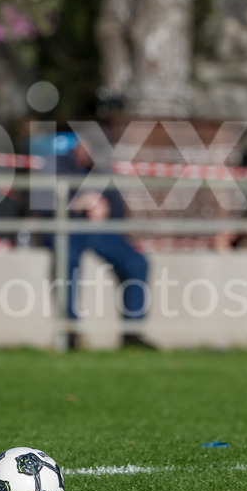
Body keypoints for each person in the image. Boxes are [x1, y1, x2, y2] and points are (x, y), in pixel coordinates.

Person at [38, 130, 153, 349]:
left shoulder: (103, 170)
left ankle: (132, 334)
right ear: (82, 145)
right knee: (68, 261)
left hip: (99, 231)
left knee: (137, 262)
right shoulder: (55, 165)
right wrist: (75, 204)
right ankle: (70, 332)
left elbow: (119, 209)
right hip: (65, 229)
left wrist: (104, 206)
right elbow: (41, 204)